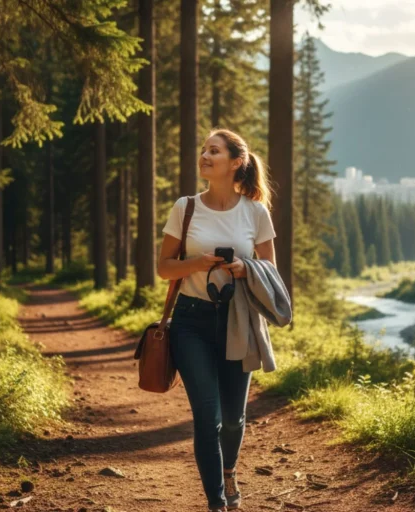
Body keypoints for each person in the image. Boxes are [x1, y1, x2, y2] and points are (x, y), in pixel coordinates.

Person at [157, 129, 277, 512]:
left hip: (238, 320)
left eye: (214, 151)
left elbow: (271, 271)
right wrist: (197, 263)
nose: (205, 156)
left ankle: (229, 471)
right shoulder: (185, 207)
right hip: (190, 321)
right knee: (207, 417)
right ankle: (217, 503)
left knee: (232, 419)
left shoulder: (256, 212)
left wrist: (246, 269)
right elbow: (163, 269)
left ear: (236, 162)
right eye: (203, 150)